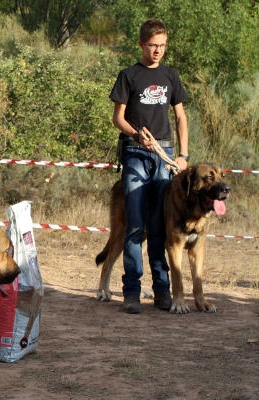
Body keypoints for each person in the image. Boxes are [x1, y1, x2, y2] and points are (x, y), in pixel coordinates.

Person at [109, 18, 189, 314]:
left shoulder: (171, 76)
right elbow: (118, 118)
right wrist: (134, 135)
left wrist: (184, 155)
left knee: (159, 226)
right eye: (153, 45)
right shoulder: (128, 75)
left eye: (163, 46)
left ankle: (162, 291)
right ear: (142, 44)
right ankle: (131, 291)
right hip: (135, 153)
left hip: (164, 154)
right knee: (135, 225)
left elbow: (180, 117)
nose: (158, 50)